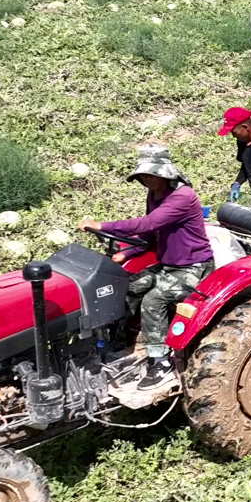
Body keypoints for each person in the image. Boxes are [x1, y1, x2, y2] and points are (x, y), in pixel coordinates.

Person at [79, 146, 214, 396]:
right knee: (126, 288)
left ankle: (160, 362)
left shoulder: (183, 198)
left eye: (150, 176)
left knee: (154, 299)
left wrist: (102, 224)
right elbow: (151, 233)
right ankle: (120, 349)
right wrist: (127, 253)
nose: (146, 181)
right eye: (143, 177)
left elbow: (149, 223)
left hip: (193, 267)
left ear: (165, 174)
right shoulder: (154, 194)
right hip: (168, 265)